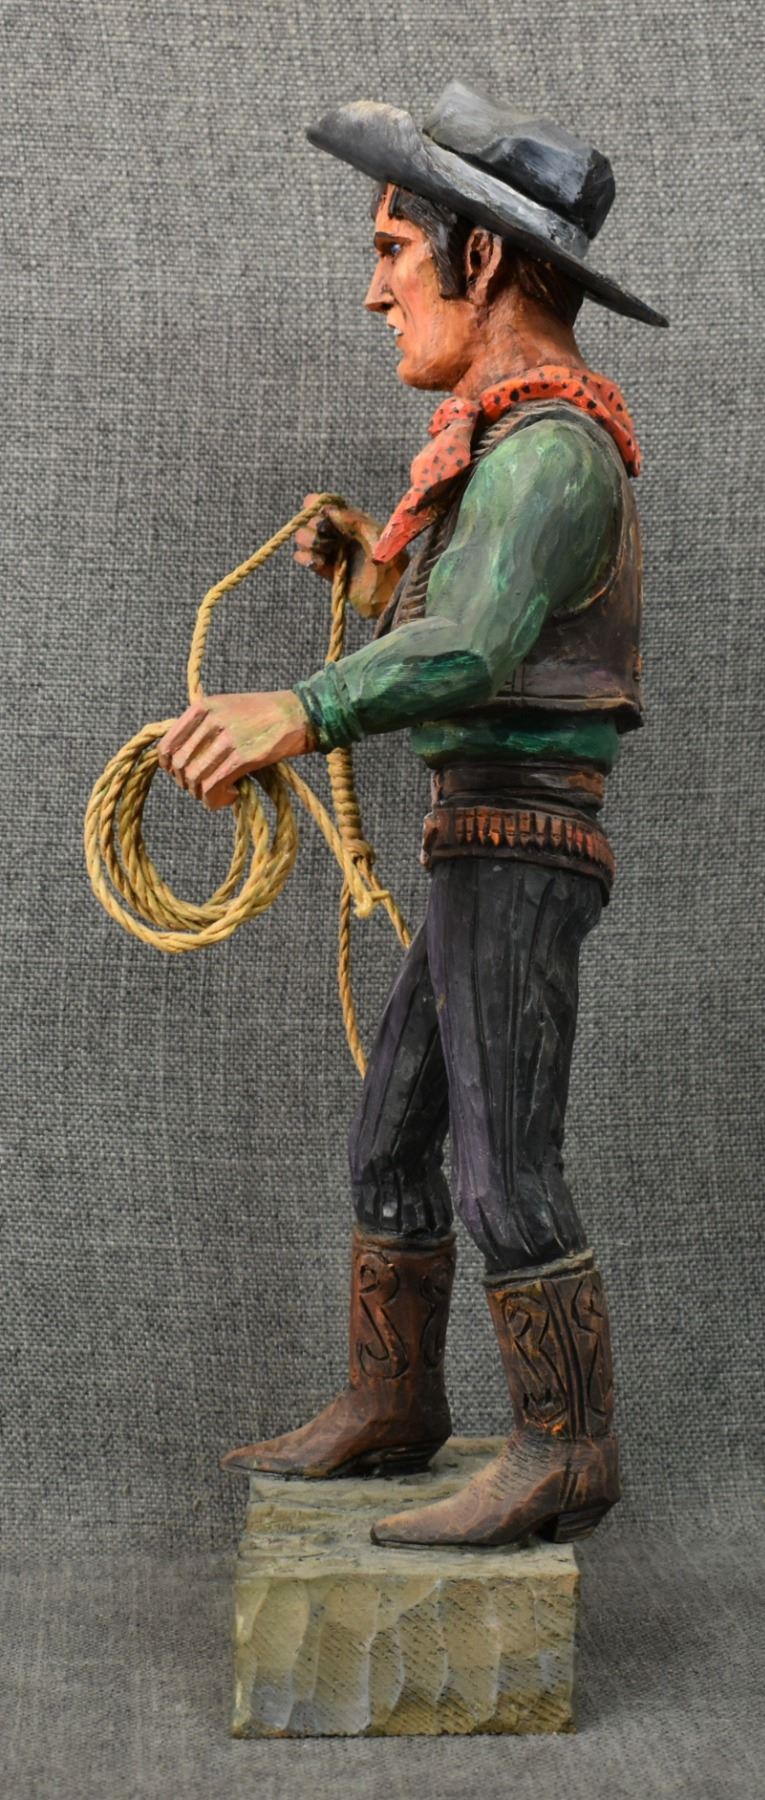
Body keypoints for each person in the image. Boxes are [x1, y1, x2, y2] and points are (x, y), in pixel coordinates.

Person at [158, 82, 667, 1548]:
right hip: (474, 838)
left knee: (503, 1171)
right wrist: (374, 576)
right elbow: (463, 615)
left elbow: (476, 649)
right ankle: (397, 1401)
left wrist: (299, 707)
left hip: (521, 842)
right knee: (391, 1138)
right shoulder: (505, 449)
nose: (376, 289)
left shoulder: (550, 451)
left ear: (482, 259)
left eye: (393, 249)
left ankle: (565, 1447)